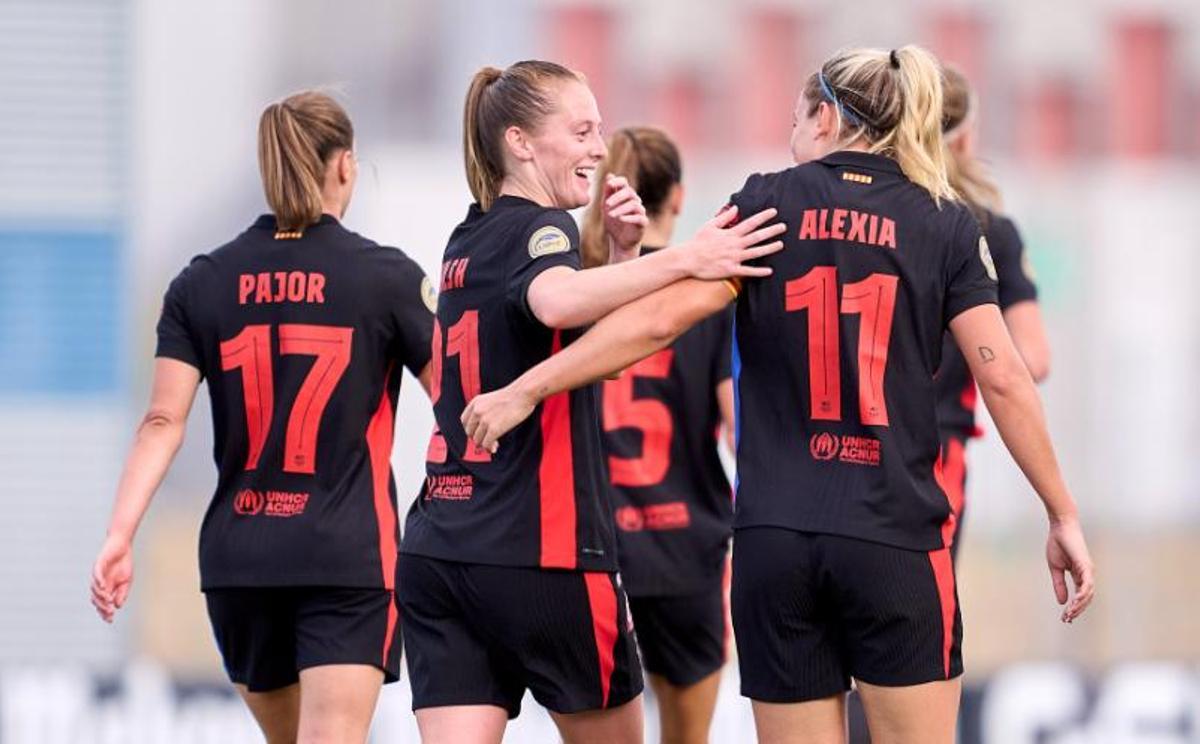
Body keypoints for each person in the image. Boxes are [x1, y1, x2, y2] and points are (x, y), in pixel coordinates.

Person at [459, 46, 1096, 744]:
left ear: (826, 117)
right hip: (894, 539)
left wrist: (527, 388)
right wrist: (1060, 513)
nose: (792, 135)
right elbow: (1005, 372)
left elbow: (660, 320)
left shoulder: (768, 201)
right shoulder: (943, 221)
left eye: (797, 117)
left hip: (773, 546)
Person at [395, 60, 784, 744]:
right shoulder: (542, 229)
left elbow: (548, 332)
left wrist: (623, 258)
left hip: (443, 548)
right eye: (581, 130)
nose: (600, 149)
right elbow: (552, 298)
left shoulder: (469, 235)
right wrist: (686, 256)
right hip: (545, 555)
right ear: (520, 142)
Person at [90, 91, 436, 744]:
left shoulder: (202, 282)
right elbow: (463, 399)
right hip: (345, 555)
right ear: (345, 167)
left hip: (240, 560)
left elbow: (162, 423)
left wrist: (119, 533)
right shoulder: (385, 278)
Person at [581, 126, 735, 744]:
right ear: (678, 195)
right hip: (685, 551)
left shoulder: (583, 286)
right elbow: (739, 428)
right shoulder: (710, 298)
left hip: (594, 549)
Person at [934, 64, 1052, 561]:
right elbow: (1033, 359)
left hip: (837, 450)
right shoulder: (987, 229)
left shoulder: (869, 214)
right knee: (920, 627)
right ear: (963, 139)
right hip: (933, 452)